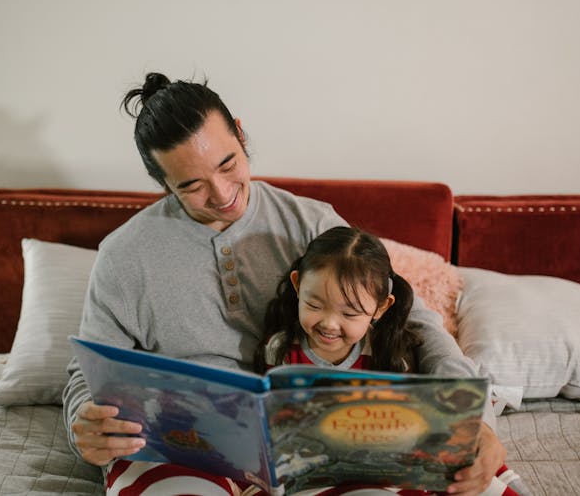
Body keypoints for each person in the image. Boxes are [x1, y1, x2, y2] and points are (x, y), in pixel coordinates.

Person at [62, 72, 507, 496]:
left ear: (240, 132)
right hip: (183, 441)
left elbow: (415, 322)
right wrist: (85, 420)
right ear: (162, 183)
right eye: (192, 185)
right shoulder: (123, 255)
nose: (221, 194)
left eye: (228, 163)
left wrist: (474, 418)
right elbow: (86, 372)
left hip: (314, 439)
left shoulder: (311, 222)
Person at [256, 226, 529, 496]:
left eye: (350, 314)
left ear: (380, 308)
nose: (328, 324)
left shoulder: (389, 353)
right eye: (314, 306)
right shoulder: (280, 350)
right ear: (297, 285)